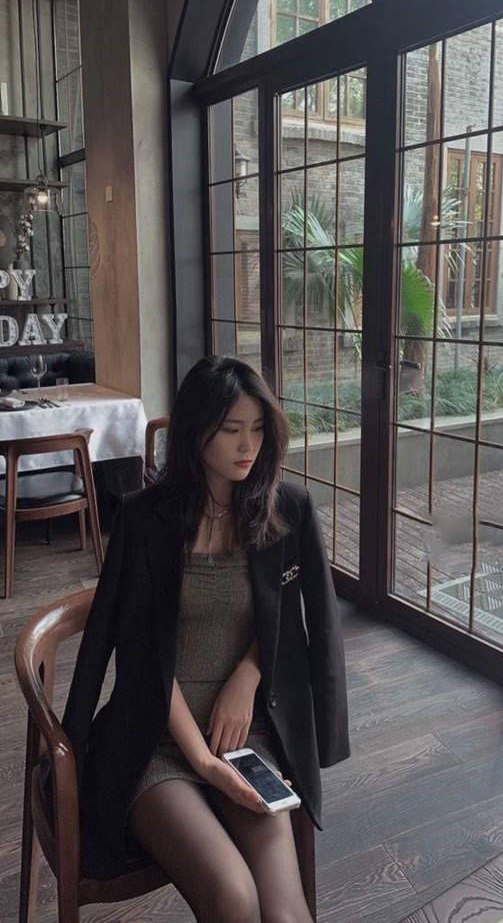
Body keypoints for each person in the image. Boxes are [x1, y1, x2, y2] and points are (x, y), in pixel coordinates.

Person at [61, 355, 350, 923]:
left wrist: (248, 673)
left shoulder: (285, 510)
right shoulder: (145, 518)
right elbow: (141, 657)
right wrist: (202, 759)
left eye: (258, 429)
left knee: (284, 911)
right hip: (158, 738)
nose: (249, 446)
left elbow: (297, 616)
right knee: (232, 896)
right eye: (231, 430)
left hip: (246, 735)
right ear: (196, 433)